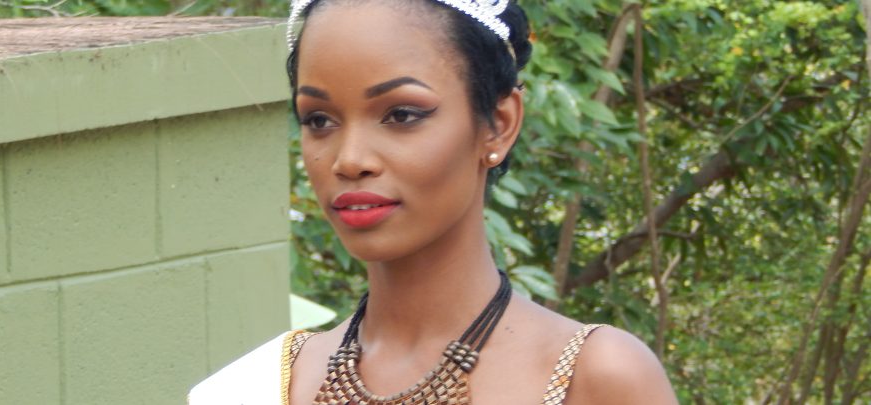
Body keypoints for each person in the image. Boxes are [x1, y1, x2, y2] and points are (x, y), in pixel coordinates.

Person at [189, 0, 679, 403]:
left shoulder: (596, 379)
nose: (350, 159)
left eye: (402, 114)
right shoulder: (252, 388)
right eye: (319, 120)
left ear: (499, 124)